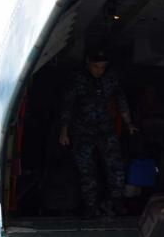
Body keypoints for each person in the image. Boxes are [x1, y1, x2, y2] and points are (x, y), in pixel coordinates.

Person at [58, 49, 137, 217]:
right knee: (86, 169)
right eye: (96, 66)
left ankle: (116, 202)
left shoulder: (110, 79)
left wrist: (128, 123)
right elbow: (68, 105)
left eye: (103, 67)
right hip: (83, 130)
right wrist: (64, 131)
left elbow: (121, 101)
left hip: (105, 129)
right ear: (88, 63)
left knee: (116, 166)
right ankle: (90, 206)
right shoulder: (78, 80)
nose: (100, 70)